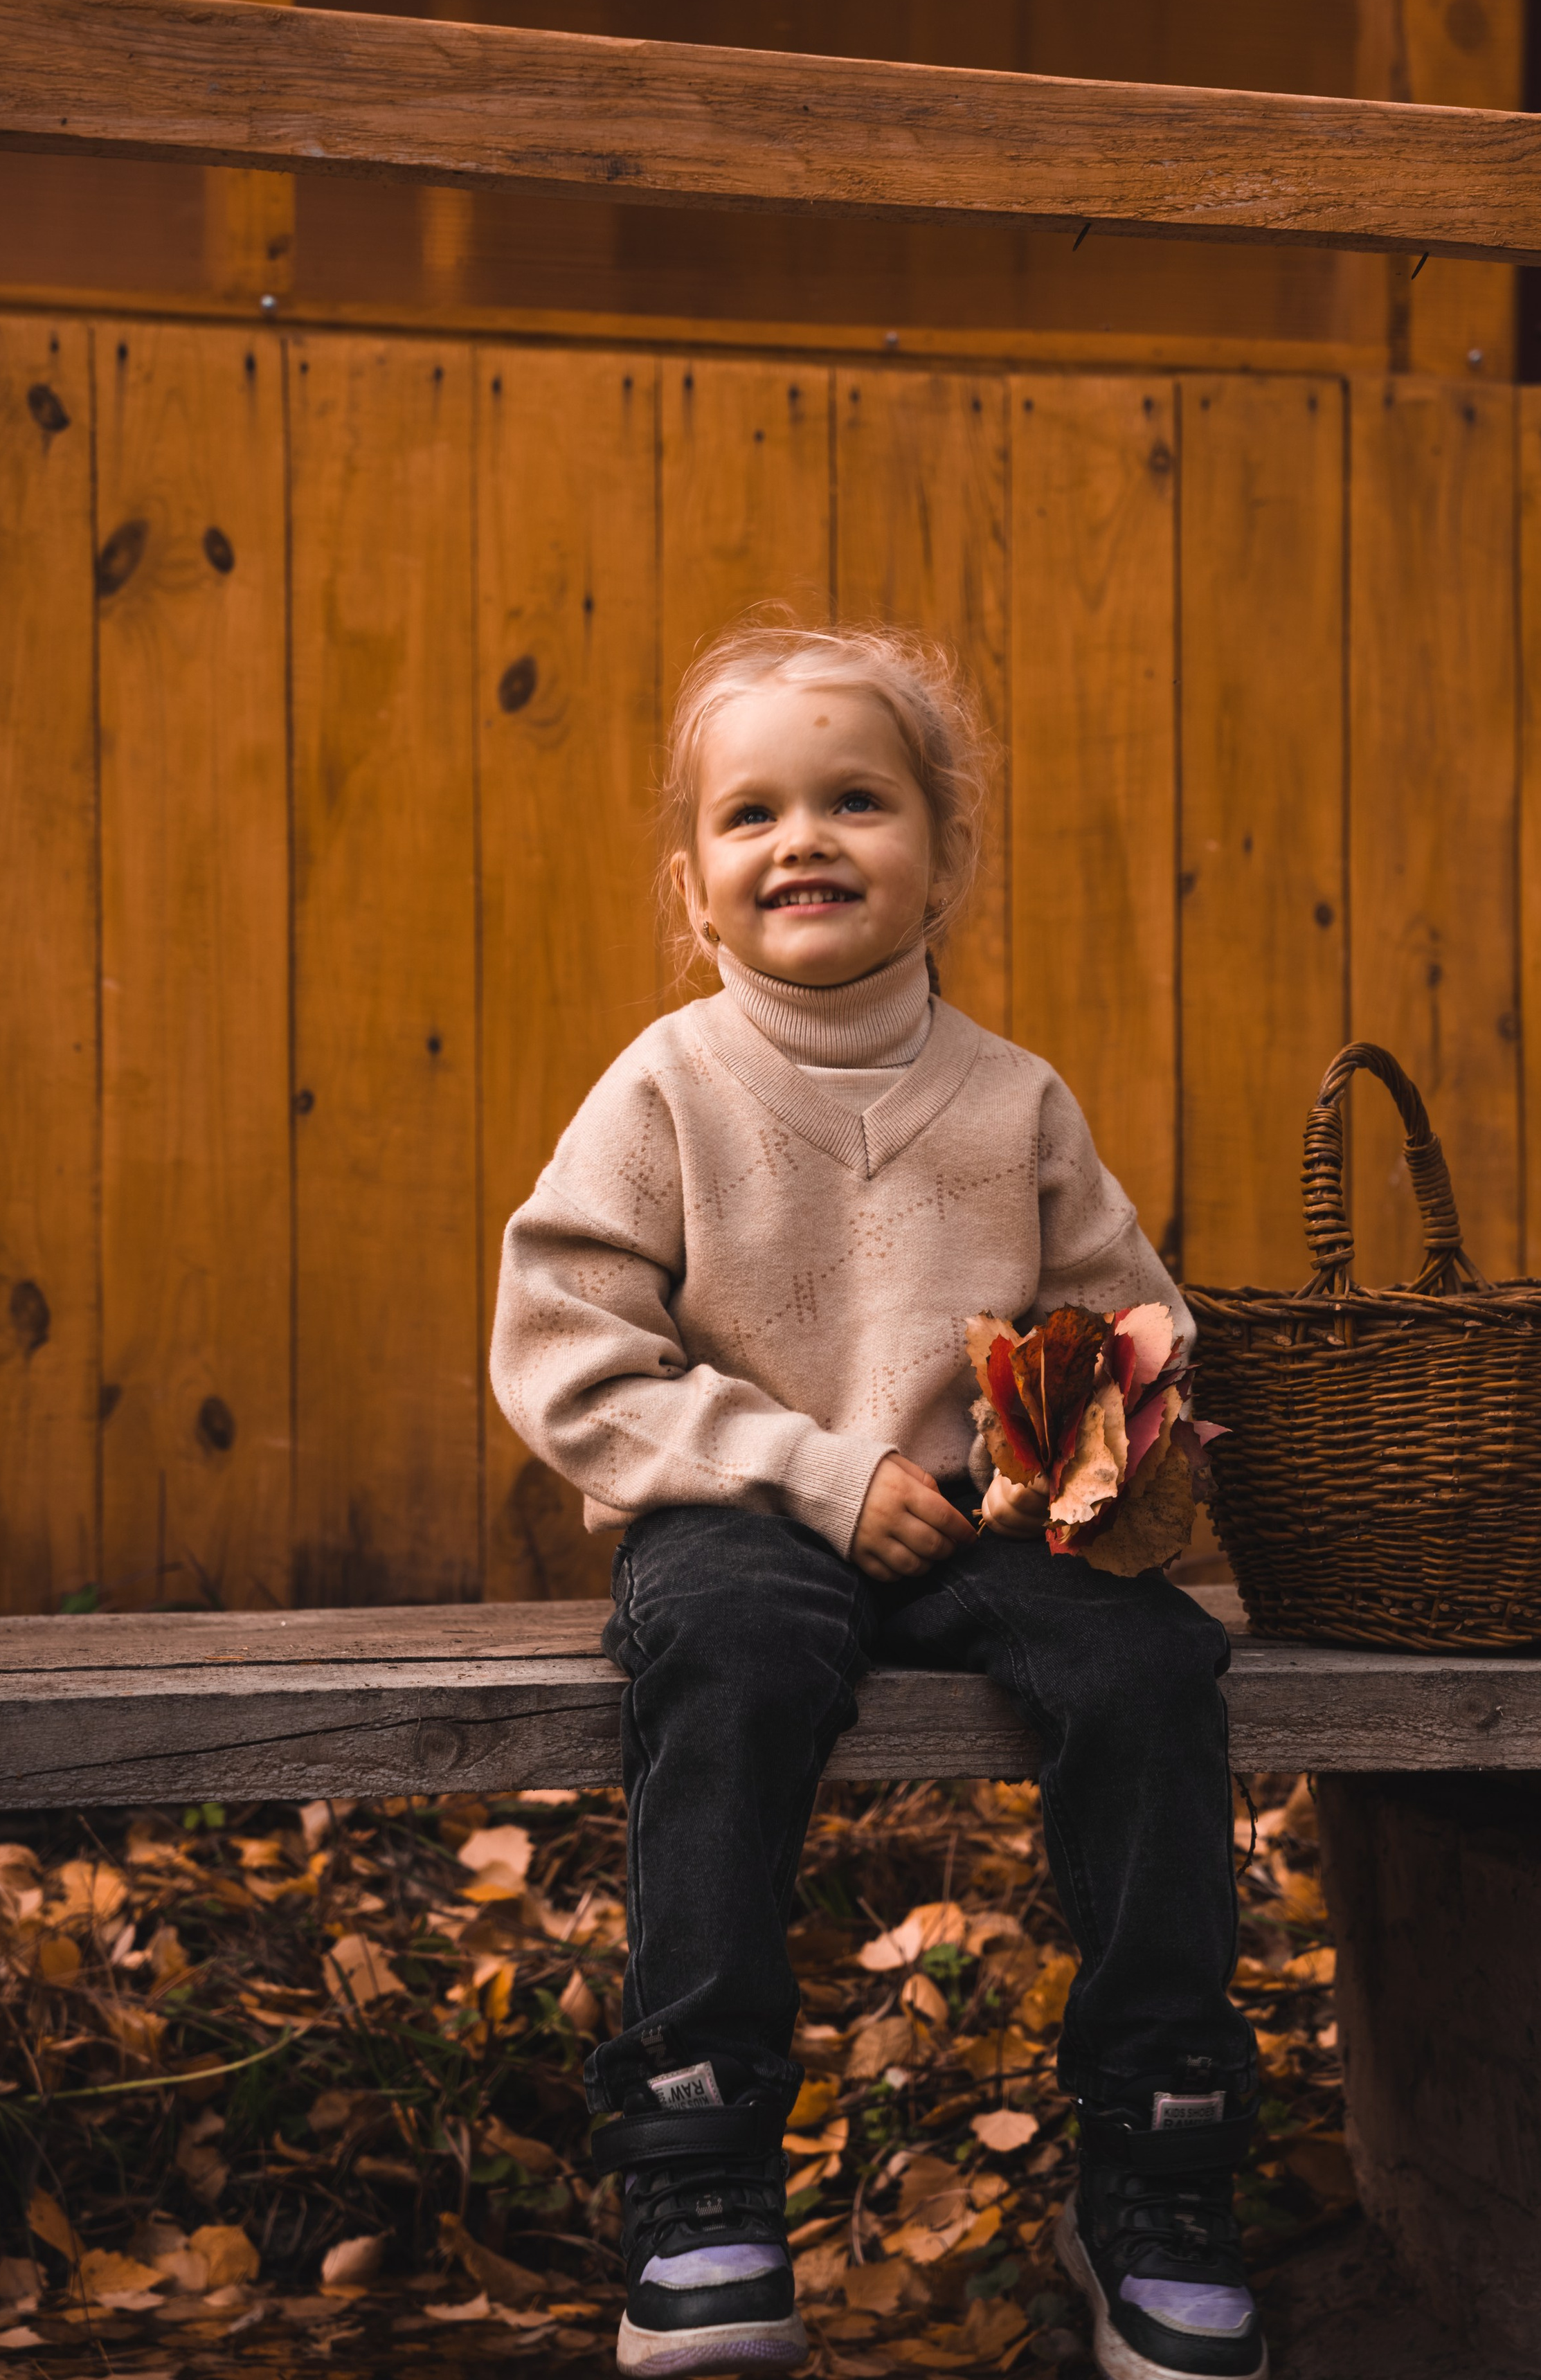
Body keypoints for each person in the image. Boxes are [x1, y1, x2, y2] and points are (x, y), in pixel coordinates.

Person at [491, 619, 1264, 2380]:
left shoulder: (1013, 1100)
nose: (803, 840)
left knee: (1152, 1670)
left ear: (944, 855)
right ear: (692, 888)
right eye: (750, 814)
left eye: (855, 800)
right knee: (731, 1660)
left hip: (981, 1526)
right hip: (743, 1516)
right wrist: (812, 1473)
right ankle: (697, 2165)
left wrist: (1092, 1446)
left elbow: (1127, 1329)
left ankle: (1158, 2152)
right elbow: (567, 1353)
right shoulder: (666, 1089)